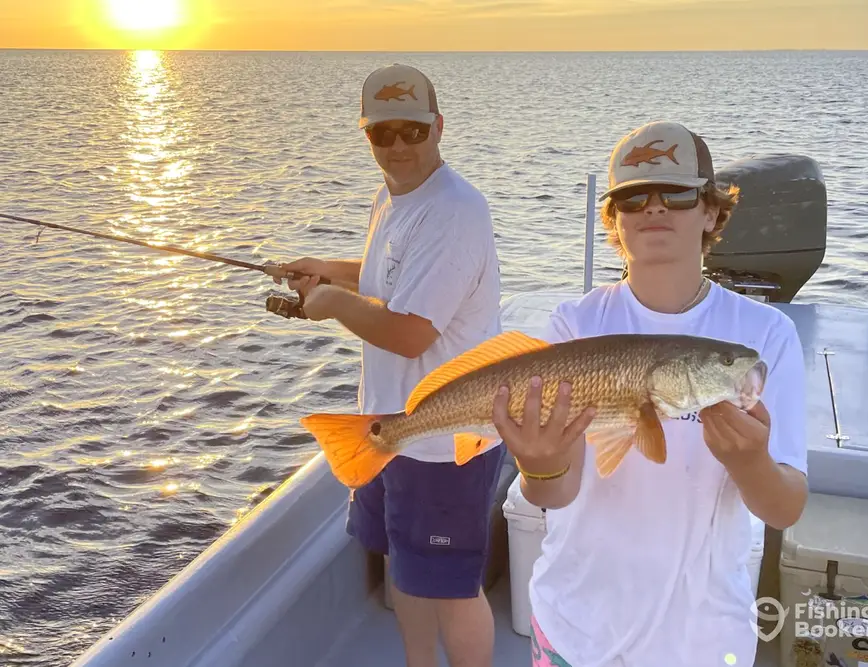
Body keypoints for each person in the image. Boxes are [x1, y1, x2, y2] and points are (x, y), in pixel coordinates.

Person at [491, 121, 809, 667]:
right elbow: (552, 495)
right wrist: (537, 466)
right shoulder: (573, 324)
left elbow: (784, 508)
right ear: (614, 220)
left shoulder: (764, 337)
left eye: (678, 194)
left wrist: (751, 460)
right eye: (633, 198)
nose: (655, 208)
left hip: (703, 641)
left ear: (712, 212)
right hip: (576, 628)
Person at [272, 64, 505, 667]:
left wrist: (333, 305)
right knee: (405, 569)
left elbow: (408, 333)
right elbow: (390, 279)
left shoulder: (454, 210)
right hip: (392, 430)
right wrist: (329, 269)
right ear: (366, 133)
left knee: (453, 588)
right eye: (384, 134)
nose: (400, 146)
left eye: (413, 130)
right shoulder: (394, 197)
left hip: (445, 442)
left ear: (439, 127)